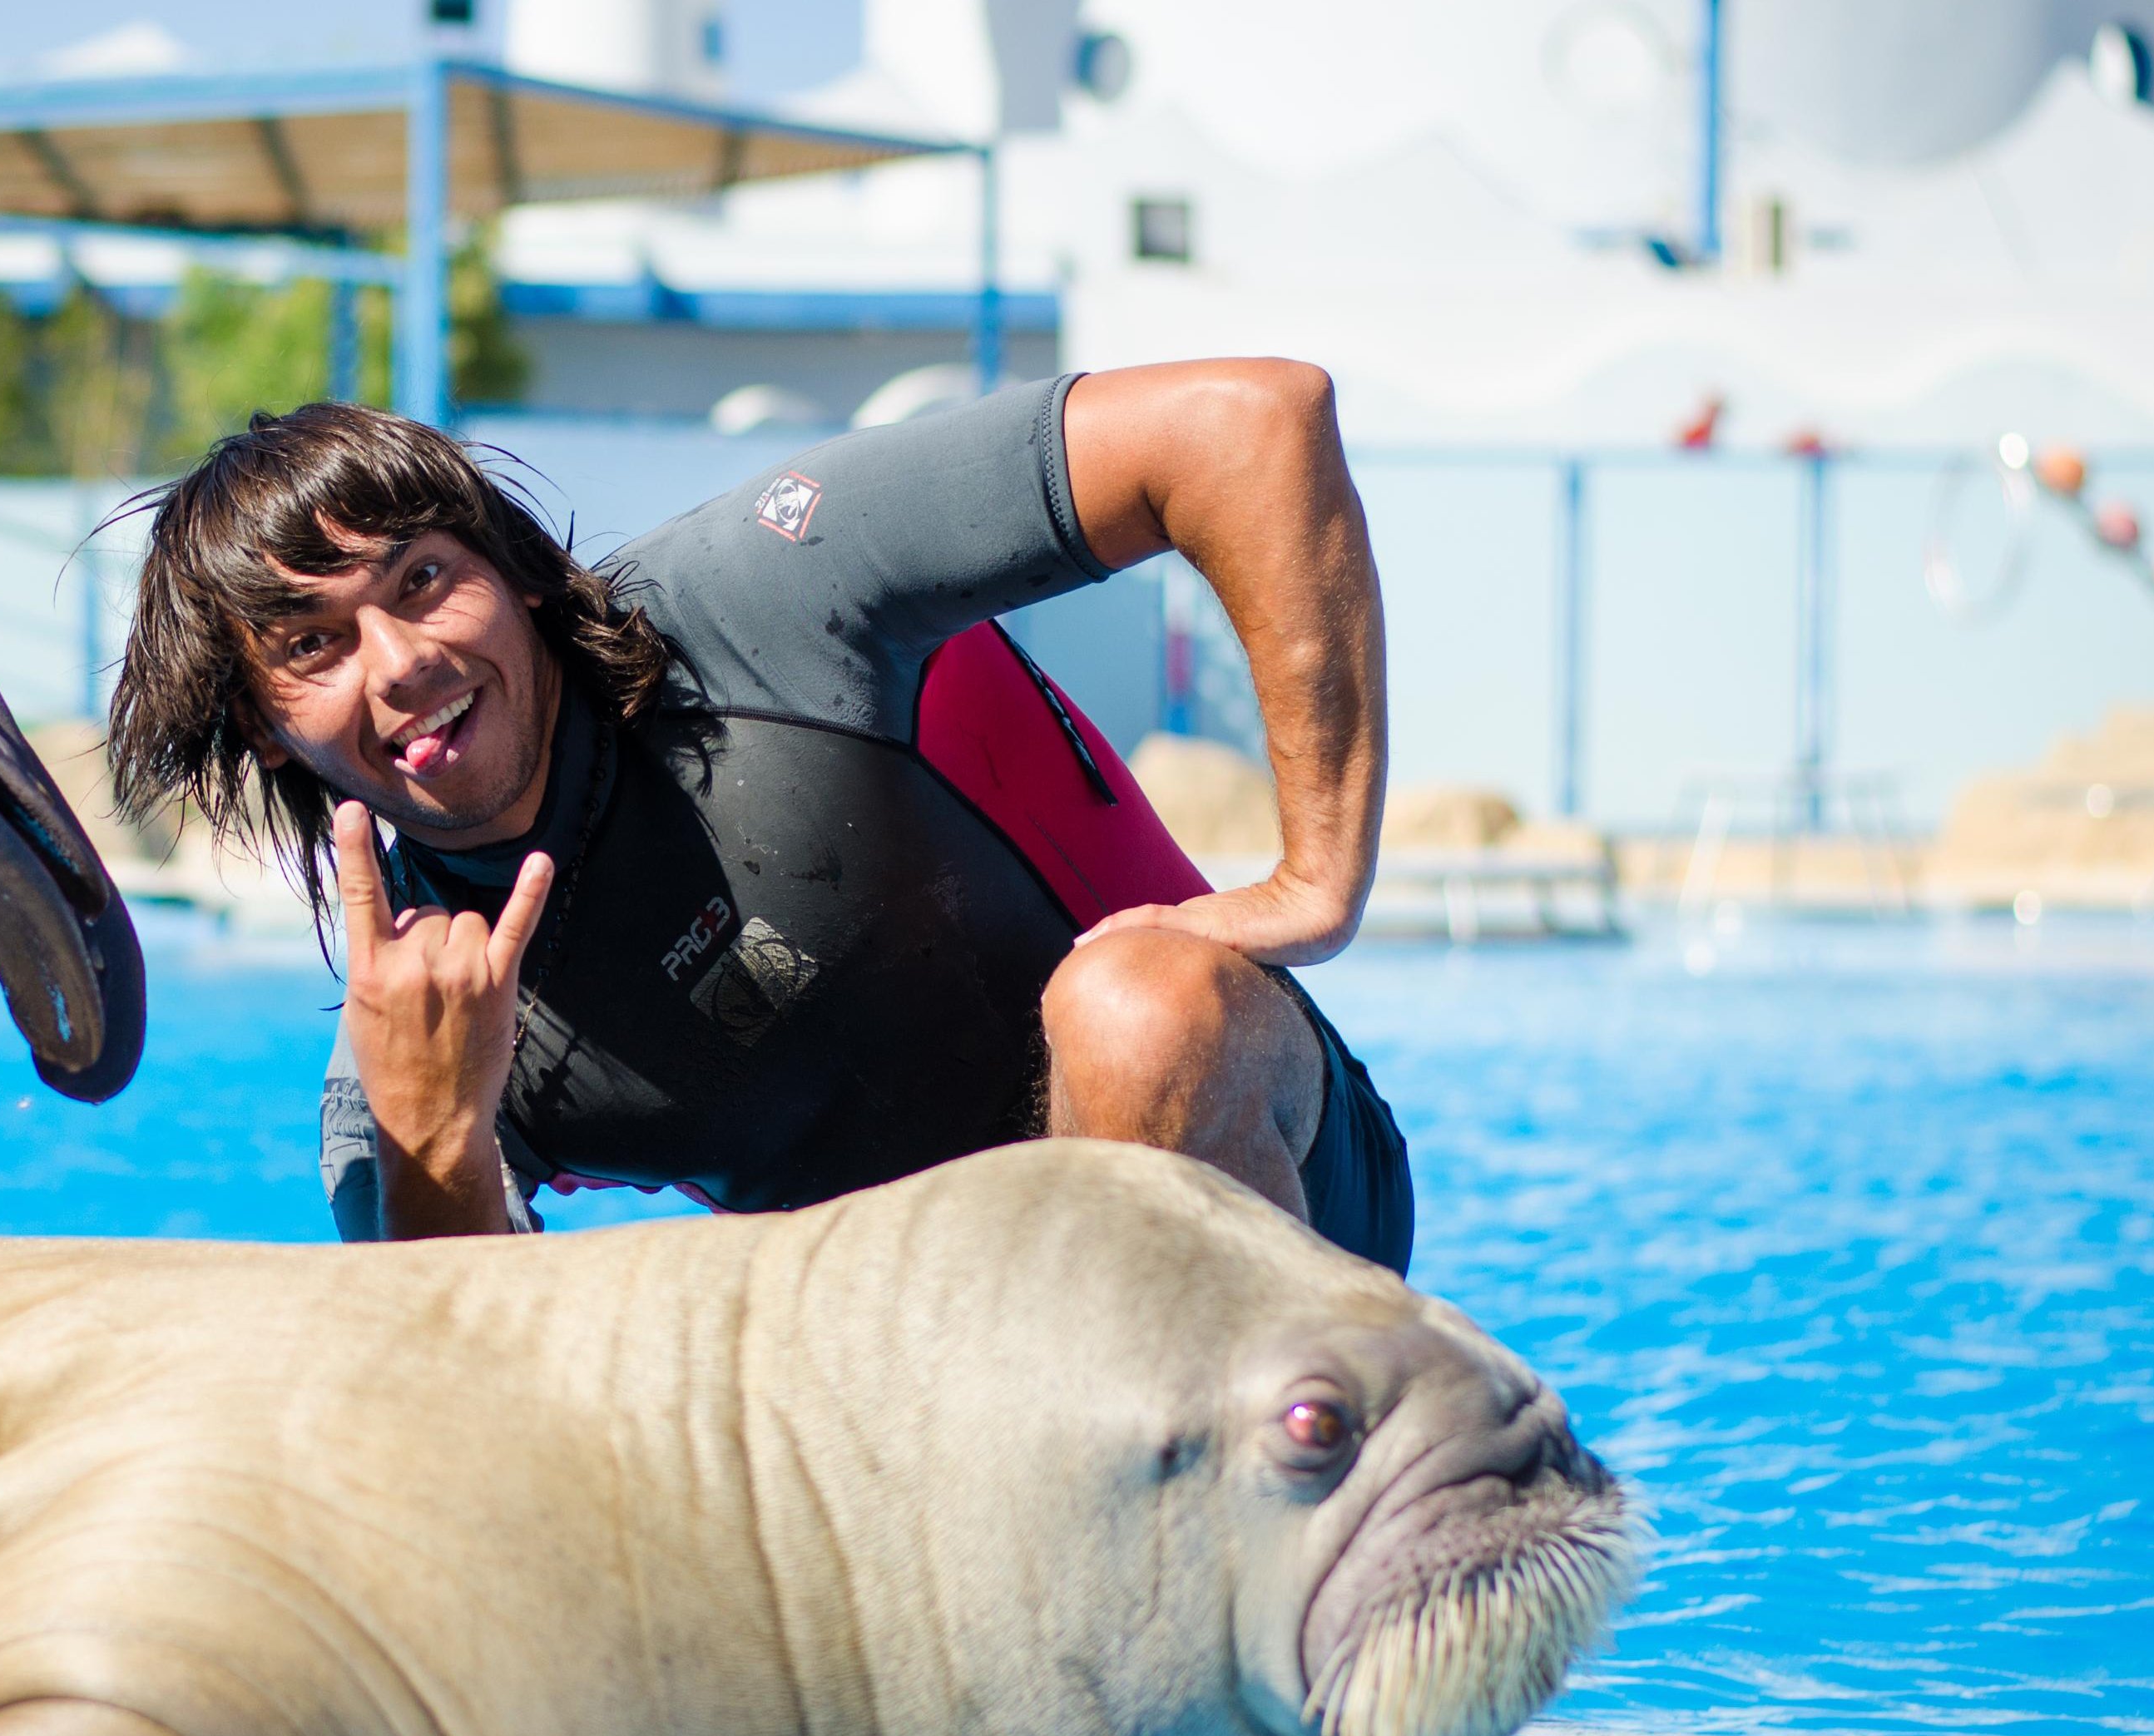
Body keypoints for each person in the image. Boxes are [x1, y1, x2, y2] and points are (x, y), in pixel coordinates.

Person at [104, 363, 1411, 1269]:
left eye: (425, 580)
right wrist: (435, 1139)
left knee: (1136, 1009)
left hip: (1271, 1191)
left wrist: (1320, 877)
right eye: (315, 647)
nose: (398, 663)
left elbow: (1251, 423)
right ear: (265, 735)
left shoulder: (760, 595)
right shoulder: (406, 1052)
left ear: (511, 573)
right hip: (949, 1372)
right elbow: (474, 1423)